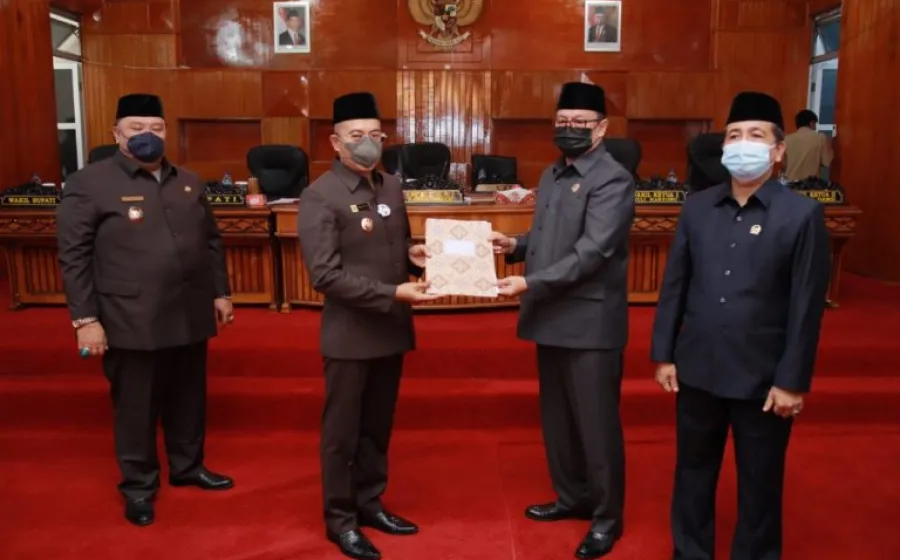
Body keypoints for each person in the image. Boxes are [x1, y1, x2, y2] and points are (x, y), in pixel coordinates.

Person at [650, 91, 831, 560]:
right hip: (698, 368)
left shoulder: (802, 214)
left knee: (759, 483)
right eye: (734, 135)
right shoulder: (697, 208)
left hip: (763, 378)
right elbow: (675, 285)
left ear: (778, 150)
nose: (742, 143)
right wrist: (664, 354)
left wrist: (792, 381)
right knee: (692, 474)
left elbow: (807, 305)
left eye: (755, 134)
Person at [56, 93, 235, 527]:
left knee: (189, 397)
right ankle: (138, 486)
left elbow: (211, 242)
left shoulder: (187, 180)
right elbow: (74, 256)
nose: (147, 135)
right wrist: (85, 320)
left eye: (155, 128)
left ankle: (188, 466)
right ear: (117, 134)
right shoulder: (89, 183)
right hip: (128, 316)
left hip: (189, 311)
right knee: (136, 406)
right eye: (136, 128)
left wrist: (221, 292)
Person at [489, 82, 635, 559]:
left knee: (596, 425)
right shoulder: (553, 173)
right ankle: (572, 497)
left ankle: (606, 519)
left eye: (580, 123)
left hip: (590, 322)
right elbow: (550, 235)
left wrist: (529, 283)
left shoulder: (612, 180)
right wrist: (515, 245)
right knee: (558, 420)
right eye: (563, 122)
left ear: (602, 128)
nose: (569, 129)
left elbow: (592, 252)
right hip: (551, 314)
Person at [297, 91, 439, 560]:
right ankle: (341, 520)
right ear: (335, 142)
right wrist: (392, 293)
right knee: (342, 435)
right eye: (356, 135)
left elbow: (395, 248)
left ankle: (370, 503)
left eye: (376, 135)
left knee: (377, 427)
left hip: (390, 330)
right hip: (350, 335)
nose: (367, 143)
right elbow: (325, 275)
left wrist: (415, 258)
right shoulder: (320, 195)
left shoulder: (391, 186)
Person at [784, 109, 833, 181]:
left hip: (790, 182)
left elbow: (785, 164)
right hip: (810, 183)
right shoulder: (820, 138)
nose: (815, 127)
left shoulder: (787, 139)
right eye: (815, 124)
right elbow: (827, 162)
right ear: (811, 123)